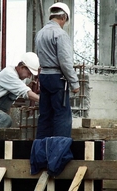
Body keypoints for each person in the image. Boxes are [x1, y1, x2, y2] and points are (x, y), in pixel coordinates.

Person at [35, 2, 80, 139]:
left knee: (45, 115)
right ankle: (59, 153)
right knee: (62, 115)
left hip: (43, 76)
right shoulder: (60, 34)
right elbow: (65, 62)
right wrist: (74, 83)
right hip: (56, 78)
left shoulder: (40, 33)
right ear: (64, 17)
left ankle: (42, 151)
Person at [0, 52, 40, 128]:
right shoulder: (9, 73)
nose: (29, 77)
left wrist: (27, 86)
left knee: (6, 123)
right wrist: (42, 100)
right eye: (29, 73)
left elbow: (19, 89)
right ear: (23, 67)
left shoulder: (19, 78)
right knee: (5, 120)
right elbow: (25, 92)